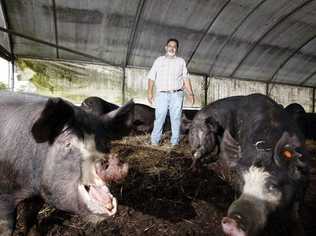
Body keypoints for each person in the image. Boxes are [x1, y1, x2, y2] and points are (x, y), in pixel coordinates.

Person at [147, 38, 194, 146]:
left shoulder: (180, 61)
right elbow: (151, 77)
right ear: (166, 47)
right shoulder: (159, 60)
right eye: (170, 46)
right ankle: (155, 142)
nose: (172, 48)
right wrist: (149, 92)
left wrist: (190, 94)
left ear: (176, 49)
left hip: (177, 94)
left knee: (176, 119)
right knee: (160, 118)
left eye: (174, 47)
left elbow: (186, 78)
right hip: (162, 94)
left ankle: (174, 143)